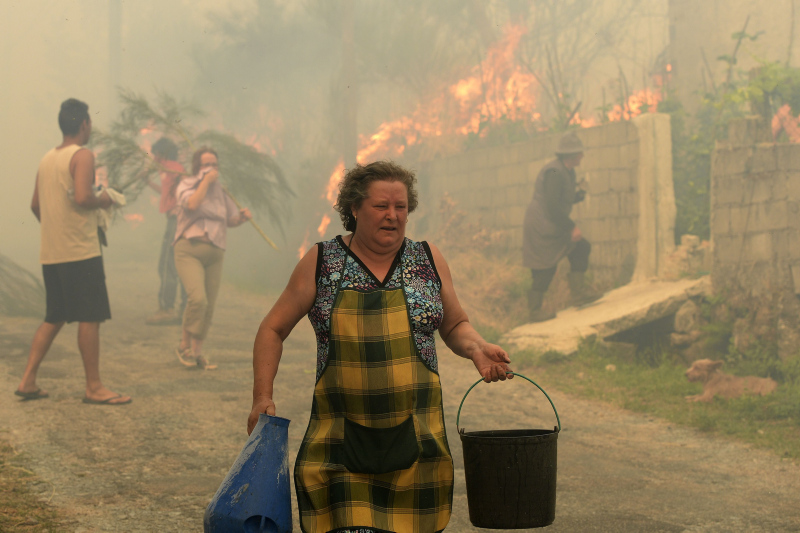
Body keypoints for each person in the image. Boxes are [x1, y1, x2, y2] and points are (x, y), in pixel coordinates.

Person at [248, 161, 513, 533]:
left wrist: (477, 347)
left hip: (416, 450)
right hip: (340, 452)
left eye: (401, 207)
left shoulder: (427, 260)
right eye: (381, 206)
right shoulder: (323, 262)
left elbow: (454, 323)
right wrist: (262, 397)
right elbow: (272, 329)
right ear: (354, 209)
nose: (393, 216)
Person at [15, 98, 132, 405]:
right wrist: (104, 199)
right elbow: (82, 197)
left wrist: (55, 227)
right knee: (89, 317)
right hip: (80, 251)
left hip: (52, 252)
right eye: (90, 122)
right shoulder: (82, 155)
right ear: (83, 124)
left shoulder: (47, 158)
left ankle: (27, 381)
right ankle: (93, 387)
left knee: (54, 315)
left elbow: (35, 205)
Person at [173, 147, 252, 370]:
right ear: (197, 167)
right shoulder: (186, 185)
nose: (211, 169)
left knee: (209, 305)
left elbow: (229, 220)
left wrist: (242, 218)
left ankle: (196, 352)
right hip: (189, 249)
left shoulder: (221, 191)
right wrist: (206, 181)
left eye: (214, 165)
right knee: (198, 299)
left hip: (216, 252)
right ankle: (183, 346)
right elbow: (191, 205)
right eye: (206, 165)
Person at [522, 131, 602, 323]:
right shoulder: (555, 171)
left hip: (552, 224)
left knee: (581, 247)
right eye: (579, 153)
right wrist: (571, 227)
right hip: (542, 226)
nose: (582, 156)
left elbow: (560, 199)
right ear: (571, 155)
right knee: (545, 268)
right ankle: (534, 311)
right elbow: (552, 206)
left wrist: (577, 196)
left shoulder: (567, 171)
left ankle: (578, 294)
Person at [143, 137, 187, 326]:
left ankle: (167, 308)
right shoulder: (174, 168)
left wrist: (146, 172)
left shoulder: (170, 167)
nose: (153, 158)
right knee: (177, 263)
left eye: (155, 154)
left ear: (161, 154)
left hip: (176, 220)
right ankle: (184, 309)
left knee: (167, 263)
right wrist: (148, 182)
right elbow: (167, 191)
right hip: (179, 219)